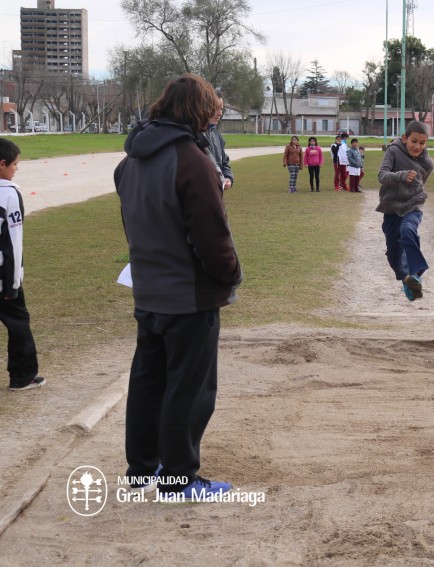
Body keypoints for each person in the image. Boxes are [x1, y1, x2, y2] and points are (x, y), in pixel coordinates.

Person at [114, 73, 242, 500]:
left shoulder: (129, 161)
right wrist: (229, 274)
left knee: (148, 383)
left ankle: (142, 469)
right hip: (188, 295)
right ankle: (178, 477)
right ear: (198, 110)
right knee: (190, 388)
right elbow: (211, 233)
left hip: (149, 288)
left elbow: (132, 225)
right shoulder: (191, 159)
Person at [0, 138, 44, 391]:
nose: (17, 168)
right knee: (18, 322)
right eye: (15, 164)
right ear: (3, 164)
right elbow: (13, 242)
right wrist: (14, 282)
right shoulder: (9, 193)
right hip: (3, 275)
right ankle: (22, 377)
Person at [376, 121, 434, 301]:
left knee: (407, 230)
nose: (417, 146)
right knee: (393, 254)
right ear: (404, 138)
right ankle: (408, 281)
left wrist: (413, 196)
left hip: (413, 205)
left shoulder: (428, 163)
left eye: (422, 143)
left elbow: (420, 185)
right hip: (391, 207)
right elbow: (382, 176)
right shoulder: (393, 151)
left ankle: (416, 272)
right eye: (414, 141)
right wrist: (401, 175)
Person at [203, 91, 233, 190]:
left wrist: (228, 177)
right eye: (215, 109)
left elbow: (224, 162)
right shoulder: (193, 136)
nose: (220, 113)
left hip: (216, 193)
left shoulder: (217, 134)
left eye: (221, 109)